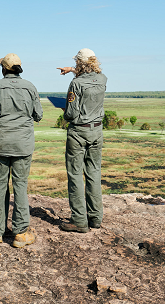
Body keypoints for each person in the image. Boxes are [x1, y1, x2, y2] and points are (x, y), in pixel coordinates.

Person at [0, 53, 43, 247]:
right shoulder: (30, 87)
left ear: (4, 68)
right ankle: (20, 232)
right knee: (20, 185)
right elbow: (38, 115)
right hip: (22, 144)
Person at [57, 48, 107, 233]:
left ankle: (79, 220)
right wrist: (71, 69)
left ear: (80, 62)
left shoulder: (76, 84)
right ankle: (95, 217)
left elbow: (71, 113)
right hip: (97, 131)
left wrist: (64, 109)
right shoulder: (102, 79)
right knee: (94, 173)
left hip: (79, 132)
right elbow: (91, 75)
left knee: (75, 175)